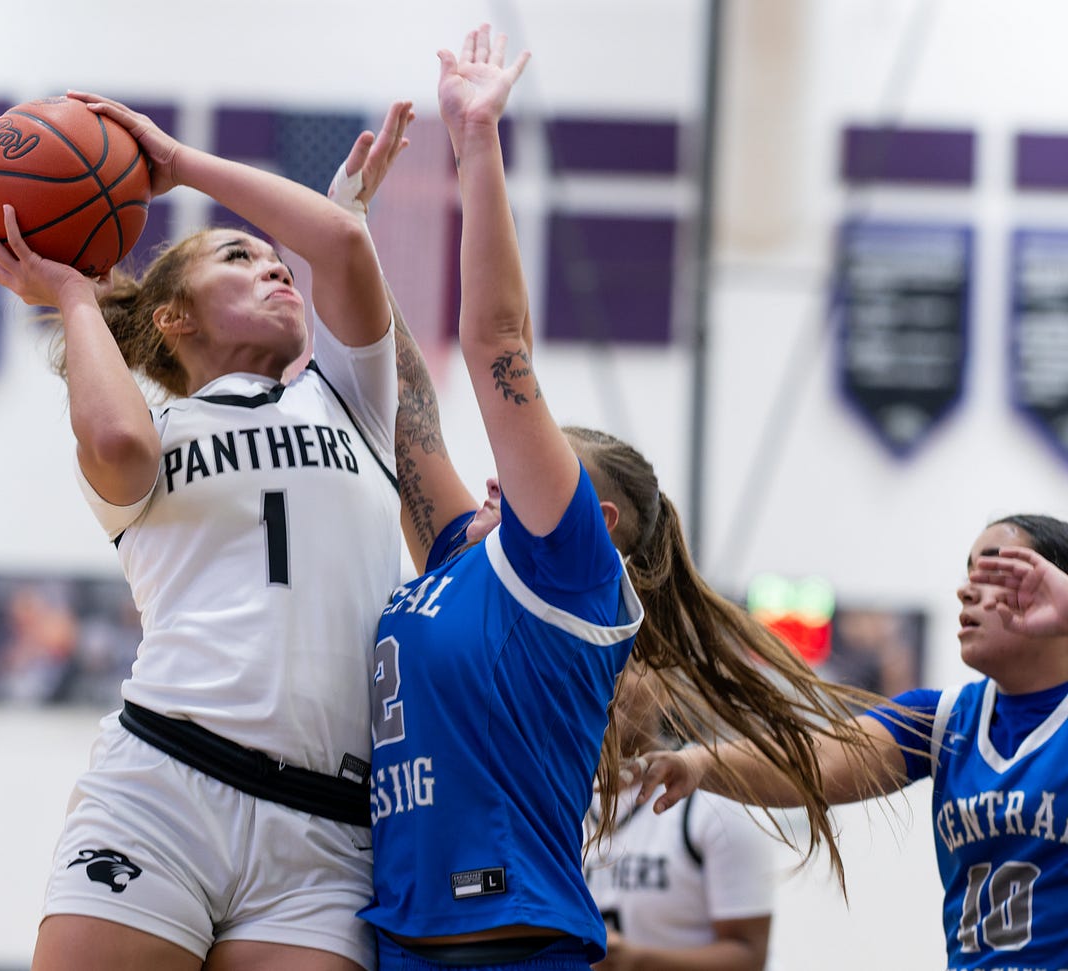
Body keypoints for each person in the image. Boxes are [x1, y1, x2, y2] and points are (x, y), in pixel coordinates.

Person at [353, 25, 890, 970]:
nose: (495, 476)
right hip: (401, 935)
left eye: (530, 471)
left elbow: (497, 341)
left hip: (505, 946)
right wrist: (349, 235)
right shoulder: (460, 559)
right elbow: (405, 412)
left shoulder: (565, 574)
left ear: (592, 525)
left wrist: (478, 143)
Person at [0, 94, 414, 971]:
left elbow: (341, 241)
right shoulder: (155, 430)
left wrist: (178, 164)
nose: (276, 268)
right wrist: (72, 294)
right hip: (162, 787)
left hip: (324, 829)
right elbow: (115, 442)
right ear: (175, 318)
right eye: (239, 257)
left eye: (276, 260)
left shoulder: (351, 400)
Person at [636, 514, 1068, 969]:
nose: (967, 590)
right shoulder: (944, 719)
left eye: (995, 572)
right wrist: (698, 763)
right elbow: (817, 759)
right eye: (969, 572)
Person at [583, 664, 775, 971]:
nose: (614, 679)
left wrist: (637, 961)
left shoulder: (713, 797)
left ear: (665, 685)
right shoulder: (557, 793)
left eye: (629, 663)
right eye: (601, 660)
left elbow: (750, 955)